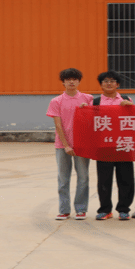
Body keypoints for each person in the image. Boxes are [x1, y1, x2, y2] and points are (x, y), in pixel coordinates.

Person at [46, 68, 93, 220]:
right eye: (68, 79)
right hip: (62, 146)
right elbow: (58, 125)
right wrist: (66, 145)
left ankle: (81, 209)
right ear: (63, 82)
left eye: (74, 79)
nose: (71, 82)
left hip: (82, 145)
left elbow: (95, 119)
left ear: (79, 81)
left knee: (83, 177)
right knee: (63, 179)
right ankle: (64, 210)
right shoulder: (56, 101)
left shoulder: (88, 99)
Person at [90, 70, 135, 221]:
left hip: (123, 144)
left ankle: (124, 209)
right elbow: (89, 123)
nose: (109, 84)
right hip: (104, 146)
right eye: (105, 81)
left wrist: (131, 107)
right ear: (101, 85)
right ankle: (105, 210)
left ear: (118, 84)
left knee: (126, 179)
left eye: (112, 81)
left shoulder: (126, 99)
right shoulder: (95, 102)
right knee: (104, 180)